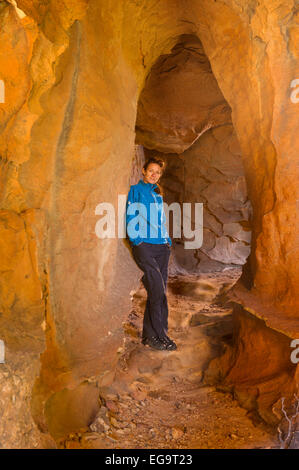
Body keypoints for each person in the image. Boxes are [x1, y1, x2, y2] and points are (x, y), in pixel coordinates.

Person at [126, 157, 177, 351]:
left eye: (157, 172)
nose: (154, 175)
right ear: (143, 171)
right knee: (156, 290)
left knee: (160, 292)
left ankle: (151, 336)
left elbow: (160, 221)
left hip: (161, 248)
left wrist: (167, 241)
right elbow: (131, 216)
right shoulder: (136, 191)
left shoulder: (157, 193)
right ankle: (160, 336)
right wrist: (137, 241)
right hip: (145, 247)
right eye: (151, 171)